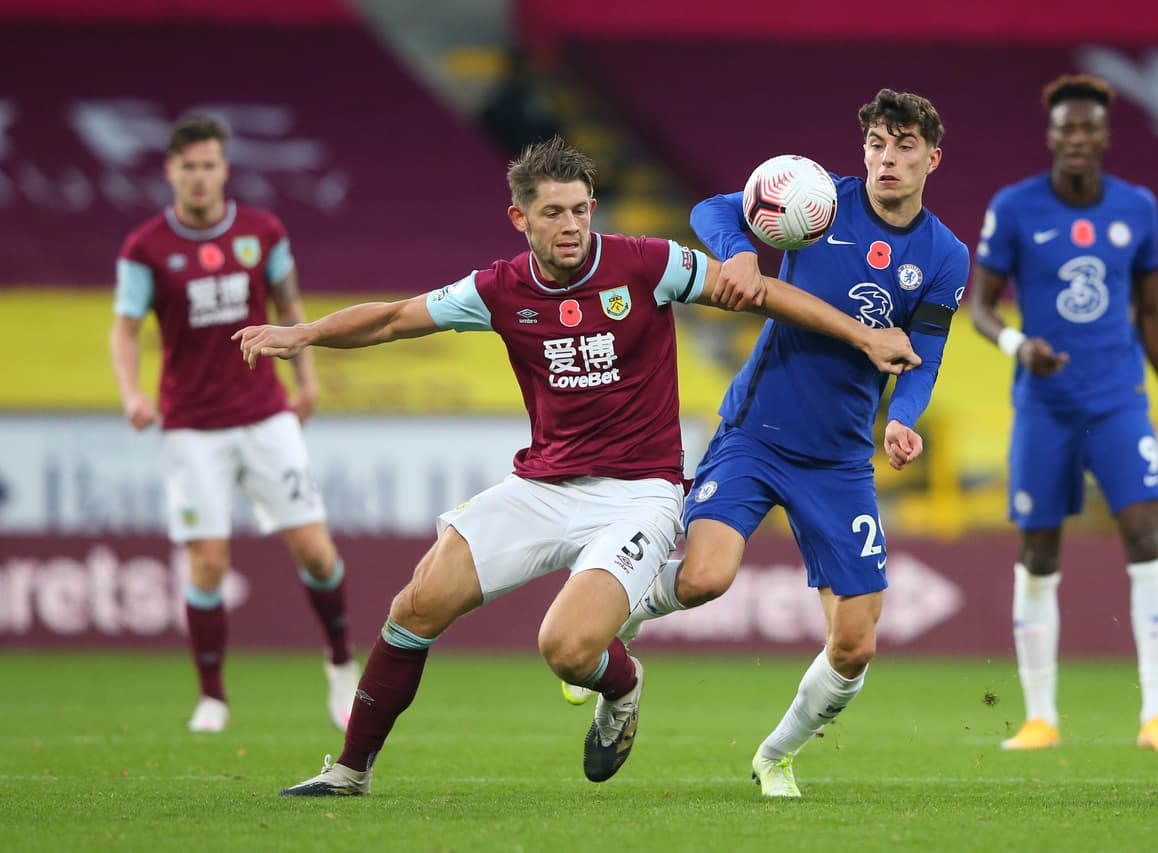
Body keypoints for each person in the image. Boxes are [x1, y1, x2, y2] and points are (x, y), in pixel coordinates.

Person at [234, 135, 921, 796]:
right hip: (541, 483)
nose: (571, 225)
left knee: (565, 647)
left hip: (638, 494)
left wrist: (864, 335)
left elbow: (764, 295)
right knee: (415, 604)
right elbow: (391, 320)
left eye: (581, 209)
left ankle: (620, 688)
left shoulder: (650, 265)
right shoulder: (497, 289)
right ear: (520, 218)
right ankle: (350, 771)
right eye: (553, 212)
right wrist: (306, 334)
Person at [599, 89, 968, 798]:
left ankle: (775, 754)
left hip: (838, 460)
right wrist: (739, 253)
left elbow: (926, 349)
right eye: (877, 146)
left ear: (932, 158)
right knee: (706, 576)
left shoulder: (946, 256)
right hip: (755, 433)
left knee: (857, 643)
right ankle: (628, 612)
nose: (887, 159)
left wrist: (904, 418)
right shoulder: (820, 199)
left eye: (904, 147)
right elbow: (714, 209)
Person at [968, 74, 1158, 752]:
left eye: (1087, 128)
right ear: (1051, 135)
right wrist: (1018, 345)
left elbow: (1151, 311)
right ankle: (1041, 716)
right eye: (1065, 128)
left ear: (1104, 135)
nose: (1076, 138)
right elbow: (982, 306)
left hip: (1120, 398)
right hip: (1044, 402)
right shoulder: (1014, 208)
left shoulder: (1138, 207)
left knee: (1145, 534)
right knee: (1038, 550)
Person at [109, 115, 359, 734]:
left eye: (209, 165)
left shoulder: (262, 231)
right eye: (188, 166)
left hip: (264, 414)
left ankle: (339, 664)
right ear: (170, 170)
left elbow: (290, 309)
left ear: (225, 169)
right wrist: (132, 394)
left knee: (316, 551)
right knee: (208, 563)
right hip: (191, 424)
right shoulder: (144, 248)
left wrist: (306, 382)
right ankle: (213, 697)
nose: (199, 177)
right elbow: (124, 328)